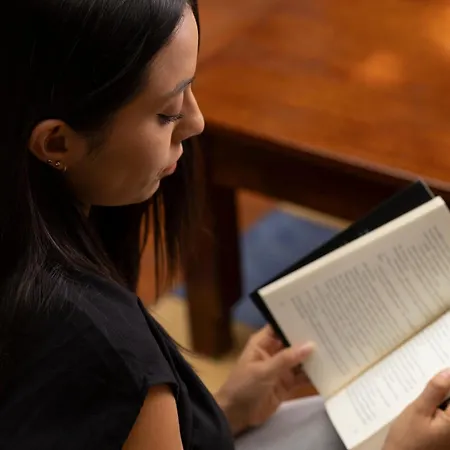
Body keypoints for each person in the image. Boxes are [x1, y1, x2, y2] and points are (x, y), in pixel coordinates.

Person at [0, 0, 450, 449]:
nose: (196, 122)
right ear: (56, 143)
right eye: (167, 111)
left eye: (190, 88)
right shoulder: (104, 348)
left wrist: (224, 410)